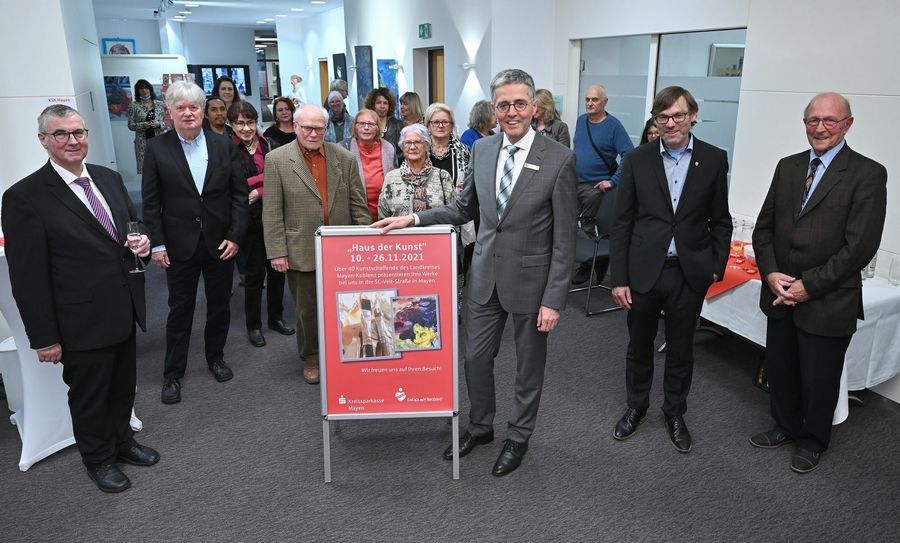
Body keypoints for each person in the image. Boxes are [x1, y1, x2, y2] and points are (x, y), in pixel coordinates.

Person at [374, 69, 578, 477]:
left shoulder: (559, 158)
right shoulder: (483, 150)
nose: (511, 112)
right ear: (494, 109)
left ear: (533, 107)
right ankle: (481, 425)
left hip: (531, 285)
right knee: (474, 358)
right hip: (483, 279)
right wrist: (414, 218)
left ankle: (518, 436)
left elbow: (565, 240)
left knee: (527, 367)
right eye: (503, 104)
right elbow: (464, 209)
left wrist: (554, 299)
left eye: (520, 103)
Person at [2, 105, 160, 493]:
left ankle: (123, 443)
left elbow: (126, 229)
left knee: (123, 387)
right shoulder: (25, 197)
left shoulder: (107, 177)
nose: (73, 141)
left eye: (78, 132)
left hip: (123, 307)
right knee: (89, 396)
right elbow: (27, 277)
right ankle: (99, 459)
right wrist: (43, 337)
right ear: (44, 140)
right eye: (61, 134)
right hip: (78, 321)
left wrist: (141, 242)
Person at [749, 92, 887, 473]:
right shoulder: (788, 167)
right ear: (805, 123)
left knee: (819, 378)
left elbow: (859, 248)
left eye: (830, 120)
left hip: (827, 299)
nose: (820, 128)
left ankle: (813, 440)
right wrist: (772, 273)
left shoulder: (867, 173)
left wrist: (809, 285)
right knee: (782, 369)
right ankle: (786, 425)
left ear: (848, 124)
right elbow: (764, 229)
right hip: (779, 294)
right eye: (813, 120)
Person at [609, 86, 732, 453]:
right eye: (663, 117)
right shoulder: (637, 159)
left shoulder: (713, 159)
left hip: (689, 273)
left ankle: (675, 412)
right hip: (644, 270)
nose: (671, 123)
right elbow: (622, 222)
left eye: (678, 115)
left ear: (693, 115)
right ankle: (637, 407)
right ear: (655, 121)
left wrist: (715, 267)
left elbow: (721, 220)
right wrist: (619, 279)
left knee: (681, 349)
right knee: (639, 345)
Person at [141, 80, 249, 405]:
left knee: (219, 307)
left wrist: (235, 236)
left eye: (194, 107)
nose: (188, 113)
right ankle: (172, 373)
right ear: (169, 112)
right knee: (180, 310)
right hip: (179, 245)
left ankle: (215, 357)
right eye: (181, 108)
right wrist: (157, 244)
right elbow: (150, 201)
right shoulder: (158, 148)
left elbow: (239, 196)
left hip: (219, 243)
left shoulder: (223, 145)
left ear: (203, 111)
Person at [262, 104, 371, 384]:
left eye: (319, 128)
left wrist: (366, 245)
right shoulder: (276, 160)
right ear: (296, 127)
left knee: (348, 305)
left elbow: (359, 206)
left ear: (326, 129)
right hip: (301, 249)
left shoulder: (344, 158)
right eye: (307, 127)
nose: (313, 133)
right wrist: (277, 252)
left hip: (343, 250)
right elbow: (272, 211)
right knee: (307, 310)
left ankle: (348, 352)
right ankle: (311, 357)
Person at [228, 101, 295, 348]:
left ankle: (276, 318)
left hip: (275, 216)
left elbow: (284, 176)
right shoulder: (227, 149)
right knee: (254, 275)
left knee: (278, 271)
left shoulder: (269, 144)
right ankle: (253, 325)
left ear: (257, 122)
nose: (246, 129)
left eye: (250, 122)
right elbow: (234, 185)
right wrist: (264, 182)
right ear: (232, 125)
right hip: (248, 221)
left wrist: (258, 191)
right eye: (240, 123)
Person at [572, 84, 634, 284]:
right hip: (575, 183)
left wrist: (613, 181)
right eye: (588, 99)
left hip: (596, 186)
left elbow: (629, 154)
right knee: (569, 222)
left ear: (604, 102)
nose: (590, 103)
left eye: (595, 100)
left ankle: (590, 263)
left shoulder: (613, 125)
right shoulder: (581, 121)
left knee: (588, 224)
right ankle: (586, 259)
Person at [377, 123, 456, 220]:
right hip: (400, 234)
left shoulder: (443, 177)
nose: (412, 147)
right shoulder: (391, 178)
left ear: (427, 145)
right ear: (402, 146)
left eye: (417, 142)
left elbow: (453, 215)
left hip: (435, 234)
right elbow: (383, 217)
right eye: (408, 143)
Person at [342, 108, 397, 221]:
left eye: (371, 124)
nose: (366, 127)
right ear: (355, 127)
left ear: (377, 128)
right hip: (354, 215)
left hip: (386, 214)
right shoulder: (343, 148)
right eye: (362, 123)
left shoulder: (389, 148)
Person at [126, 79, 167, 173]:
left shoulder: (160, 104)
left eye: (146, 88)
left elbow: (167, 123)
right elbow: (130, 125)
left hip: (159, 141)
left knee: (162, 167)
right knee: (147, 170)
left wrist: (159, 124)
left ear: (150, 89)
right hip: (143, 142)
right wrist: (143, 125)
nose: (144, 91)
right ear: (137, 91)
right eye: (141, 89)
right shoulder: (133, 106)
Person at [364, 87, 404, 153]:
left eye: (385, 103)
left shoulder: (398, 125)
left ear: (389, 106)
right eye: (378, 103)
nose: (382, 106)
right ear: (372, 105)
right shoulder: (366, 125)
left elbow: (403, 152)